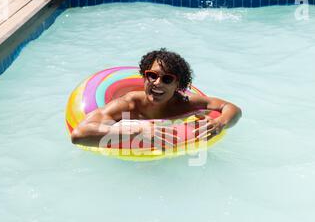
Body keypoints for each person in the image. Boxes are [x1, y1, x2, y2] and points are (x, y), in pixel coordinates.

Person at [71, 48, 242, 148]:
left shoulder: (185, 104)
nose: (157, 83)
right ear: (144, 77)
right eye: (152, 75)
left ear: (178, 85)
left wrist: (220, 123)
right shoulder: (127, 105)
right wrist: (136, 131)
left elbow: (232, 108)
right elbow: (79, 134)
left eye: (167, 79)